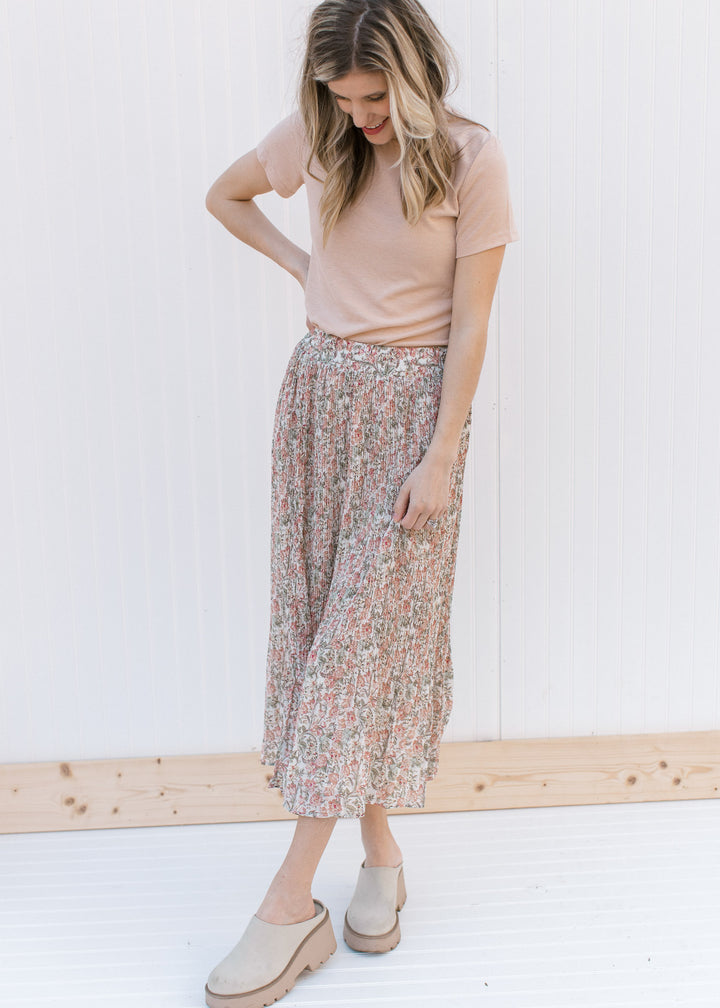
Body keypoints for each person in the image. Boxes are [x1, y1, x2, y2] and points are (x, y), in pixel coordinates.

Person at [203, 0, 519, 1003]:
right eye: (343, 97)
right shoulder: (322, 134)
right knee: (321, 636)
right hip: (318, 400)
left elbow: (471, 325)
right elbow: (226, 195)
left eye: (376, 96)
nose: (361, 115)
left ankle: (290, 907)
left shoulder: (475, 158)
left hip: (412, 421)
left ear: (419, 75)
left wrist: (442, 452)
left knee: (354, 651)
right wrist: (306, 268)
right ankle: (379, 853)